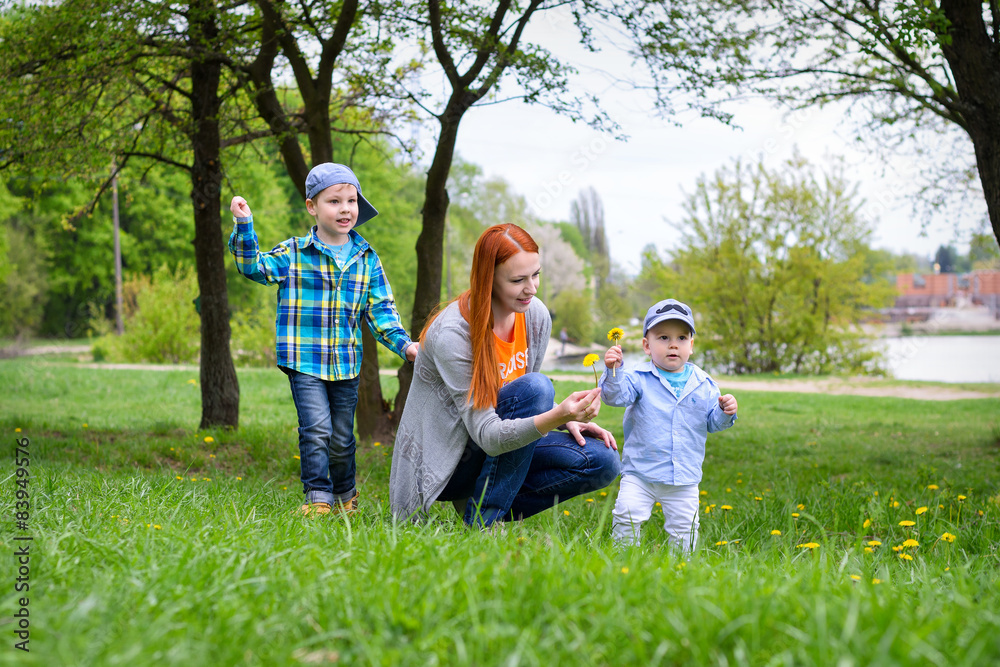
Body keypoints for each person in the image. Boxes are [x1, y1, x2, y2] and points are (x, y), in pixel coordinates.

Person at [389, 223, 620, 528]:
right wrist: (555, 414)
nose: (532, 288)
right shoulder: (452, 334)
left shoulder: (534, 315)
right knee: (538, 388)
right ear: (490, 279)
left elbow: (520, 404)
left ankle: (479, 509)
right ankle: (485, 523)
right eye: (518, 280)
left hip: (496, 447)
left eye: (536, 274)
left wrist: (567, 418)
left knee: (602, 461)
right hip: (449, 463)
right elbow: (488, 433)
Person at [229, 163, 417, 517]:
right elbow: (252, 266)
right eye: (334, 201)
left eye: (351, 200)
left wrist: (406, 346)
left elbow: (382, 312)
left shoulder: (367, 259)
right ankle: (318, 498)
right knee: (316, 429)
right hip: (304, 360)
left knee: (342, 439)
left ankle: (346, 495)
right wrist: (244, 225)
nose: (345, 208)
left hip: (345, 363)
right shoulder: (294, 253)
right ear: (312, 207)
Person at [600, 298, 738, 551]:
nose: (673, 344)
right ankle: (623, 559)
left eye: (682, 338)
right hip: (640, 472)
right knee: (626, 516)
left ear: (691, 345)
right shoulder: (637, 378)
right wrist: (613, 371)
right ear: (646, 345)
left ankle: (682, 567)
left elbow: (713, 424)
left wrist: (724, 411)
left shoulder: (704, 383)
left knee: (685, 527)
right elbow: (614, 397)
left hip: (683, 477)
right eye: (663, 337)